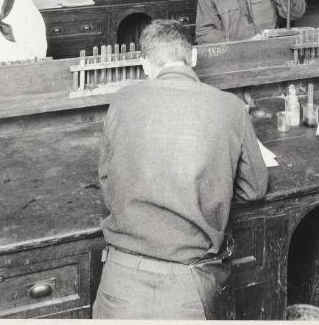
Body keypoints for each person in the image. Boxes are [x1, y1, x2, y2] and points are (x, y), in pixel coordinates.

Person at [94, 19, 269, 319]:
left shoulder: (122, 101)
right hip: (188, 287)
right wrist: (213, 185)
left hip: (120, 282)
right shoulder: (230, 107)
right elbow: (255, 188)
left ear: (145, 64)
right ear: (194, 57)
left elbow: (108, 182)